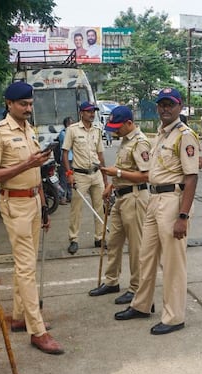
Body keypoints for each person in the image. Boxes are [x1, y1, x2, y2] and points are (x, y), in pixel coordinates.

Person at [0, 82, 64, 355]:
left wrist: (43, 205)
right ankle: (37, 330)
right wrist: (26, 164)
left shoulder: (30, 129)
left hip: (32, 200)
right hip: (14, 203)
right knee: (26, 267)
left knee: (24, 265)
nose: (28, 109)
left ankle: (20, 317)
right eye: (23, 104)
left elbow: (36, 174)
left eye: (30, 104)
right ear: (9, 103)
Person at [114, 88, 200, 335]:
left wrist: (182, 216)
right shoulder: (161, 134)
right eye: (161, 104)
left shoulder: (185, 135)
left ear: (179, 106)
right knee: (146, 255)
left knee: (173, 262)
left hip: (173, 200)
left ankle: (174, 317)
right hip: (153, 198)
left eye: (169, 105)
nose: (164, 109)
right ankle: (141, 305)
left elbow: (192, 177)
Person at [91, 106, 151, 304]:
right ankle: (111, 281)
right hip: (120, 196)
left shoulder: (141, 143)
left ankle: (136, 288)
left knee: (136, 246)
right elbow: (124, 168)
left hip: (135, 198)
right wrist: (111, 186)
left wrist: (116, 174)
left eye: (118, 127)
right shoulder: (125, 141)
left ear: (129, 123)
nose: (115, 131)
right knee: (114, 242)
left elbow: (146, 175)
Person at [63, 101, 108, 254]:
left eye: (93, 111)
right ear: (81, 112)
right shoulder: (72, 130)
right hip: (79, 175)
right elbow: (65, 153)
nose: (92, 114)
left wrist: (105, 176)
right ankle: (73, 239)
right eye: (89, 111)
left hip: (96, 174)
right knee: (76, 209)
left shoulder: (97, 130)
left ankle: (99, 238)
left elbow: (100, 154)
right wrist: (69, 174)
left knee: (100, 207)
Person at [54, 116, 74, 205]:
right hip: (65, 159)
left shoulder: (70, 132)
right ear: (67, 124)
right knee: (63, 179)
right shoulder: (63, 134)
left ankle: (69, 196)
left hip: (72, 159)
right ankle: (62, 197)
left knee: (71, 178)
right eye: (71, 123)